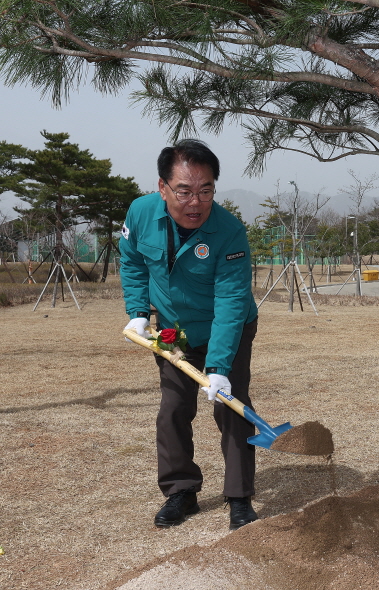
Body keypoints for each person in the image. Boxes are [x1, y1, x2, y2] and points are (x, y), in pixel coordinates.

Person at [120, 139, 260, 530]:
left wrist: (218, 366)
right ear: (162, 188)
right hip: (171, 331)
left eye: (206, 190)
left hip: (227, 327)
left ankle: (238, 497)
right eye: (184, 191)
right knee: (174, 409)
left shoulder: (229, 231)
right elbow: (131, 261)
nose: (195, 202)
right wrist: (137, 313)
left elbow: (232, 301)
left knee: (231, 407)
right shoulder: (141, 213)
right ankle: (181, 490)